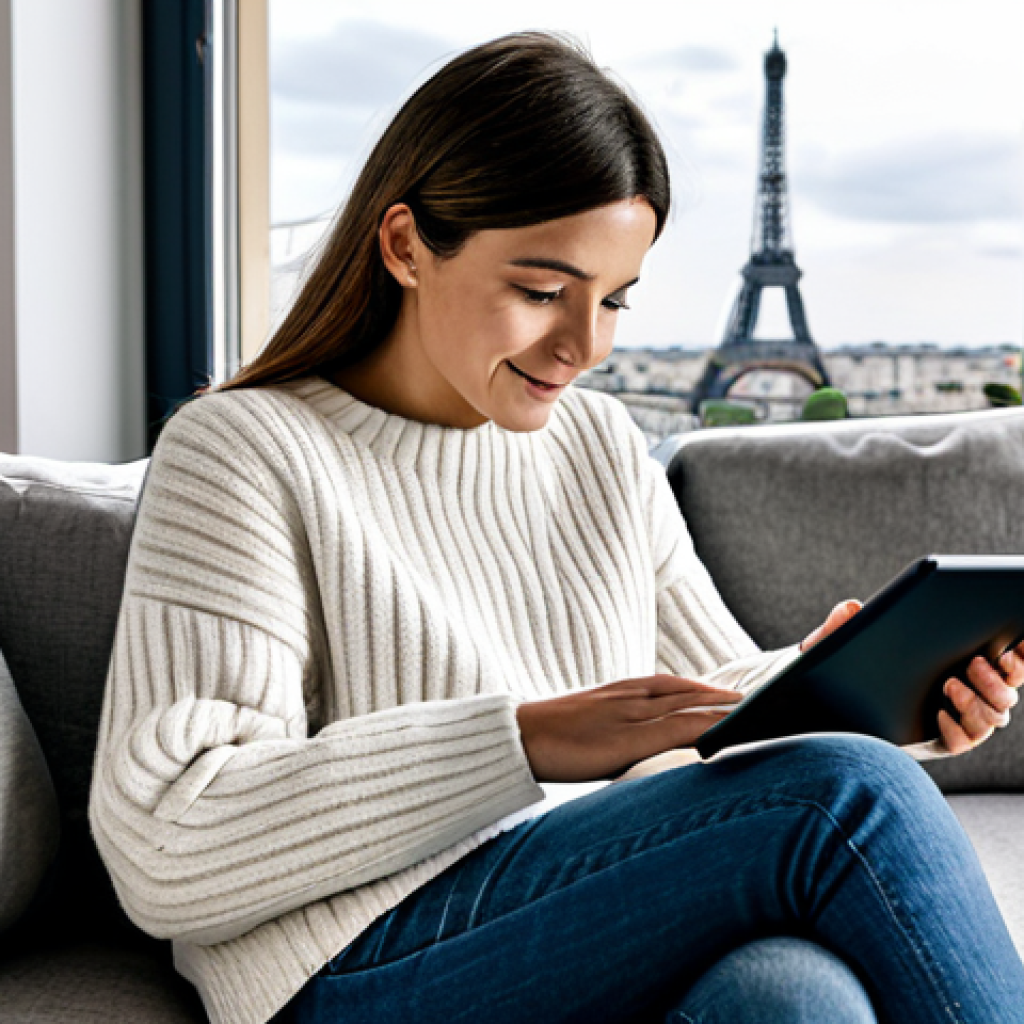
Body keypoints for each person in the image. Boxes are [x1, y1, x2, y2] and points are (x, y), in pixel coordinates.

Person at [88, 30, 1024, 1024]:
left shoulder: (599, 444)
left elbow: (703, 712)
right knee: (846, 796)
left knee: (793, 997)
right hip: (351, 966)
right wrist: (524, 740)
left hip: (589, 911)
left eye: (613, 300)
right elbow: (167, 844)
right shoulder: (242, 449)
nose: (584, 346)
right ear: (405, 245)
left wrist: (844, 680)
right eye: (541, 292)